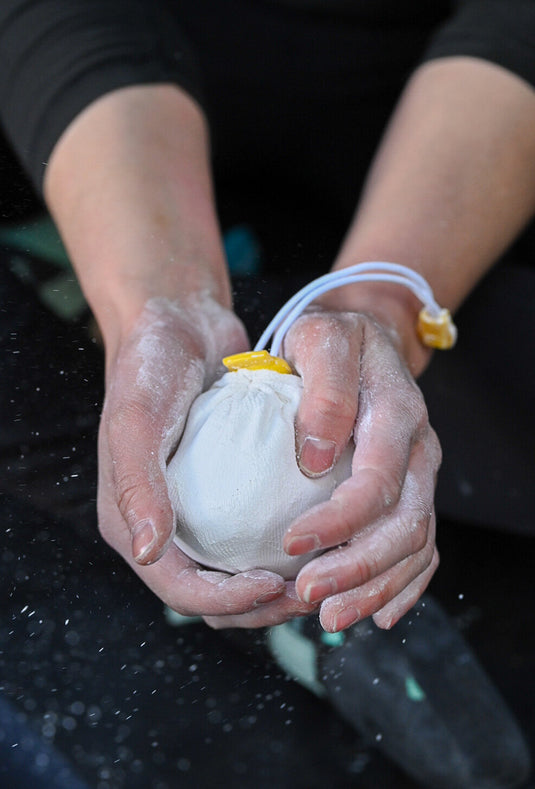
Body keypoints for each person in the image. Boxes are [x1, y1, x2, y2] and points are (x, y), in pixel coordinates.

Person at [0, 1, 534, 785]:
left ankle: (299, 582)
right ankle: (236, 583)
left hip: (438, 164)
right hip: (96, 145)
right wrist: (158, 301)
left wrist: (379, 310)